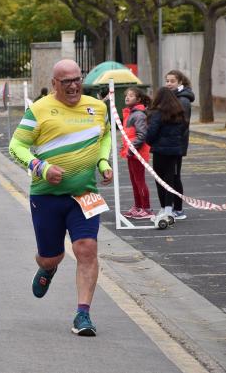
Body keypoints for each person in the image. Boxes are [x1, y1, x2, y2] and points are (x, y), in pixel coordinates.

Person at [9, 59, 113, 337]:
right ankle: (48, 268)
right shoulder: (39, 109)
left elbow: (105, 137)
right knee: (51, 256)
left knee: (86, 248)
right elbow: (16, 145)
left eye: (77, 79)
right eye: (66, 81)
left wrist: (103, 162)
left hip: (84, 194)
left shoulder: (98, 108)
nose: (73, 85)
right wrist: (39, 167)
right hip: (47, 197)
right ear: (54, 83)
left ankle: (83, 314)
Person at [146, 87, 186, 222]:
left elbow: (152, 132)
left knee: (160, 180)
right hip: (174, 151)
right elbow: (184, 129)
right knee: (171, 179)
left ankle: (164, 208)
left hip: (160, 151)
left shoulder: (158, 113)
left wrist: (150, 141)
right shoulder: (179, 112)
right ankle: (170, 209)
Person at [165, 70, 194, 220]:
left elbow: (183, 124)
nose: (169, 84)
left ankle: (178, 209)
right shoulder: (173, 97)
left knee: (175, 176)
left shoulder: (183, 100)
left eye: (172, 81)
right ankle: (173, 207)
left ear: (180, 82)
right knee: (171, 175)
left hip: (176, 145)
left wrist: (173, 141)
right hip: (172, 143)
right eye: (167, 81)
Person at [121, 87, 153, 219]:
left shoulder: (138, 114)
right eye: (126, 95)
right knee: (134, 181)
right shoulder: (130, 113)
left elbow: (142, 135)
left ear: (138, 99)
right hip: (131, 153)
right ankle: (138, 206)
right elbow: (129, 134)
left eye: (131, 96)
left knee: (139, 181)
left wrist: (131, 148)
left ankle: (146, 208)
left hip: (137, 153)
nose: (127, 97)